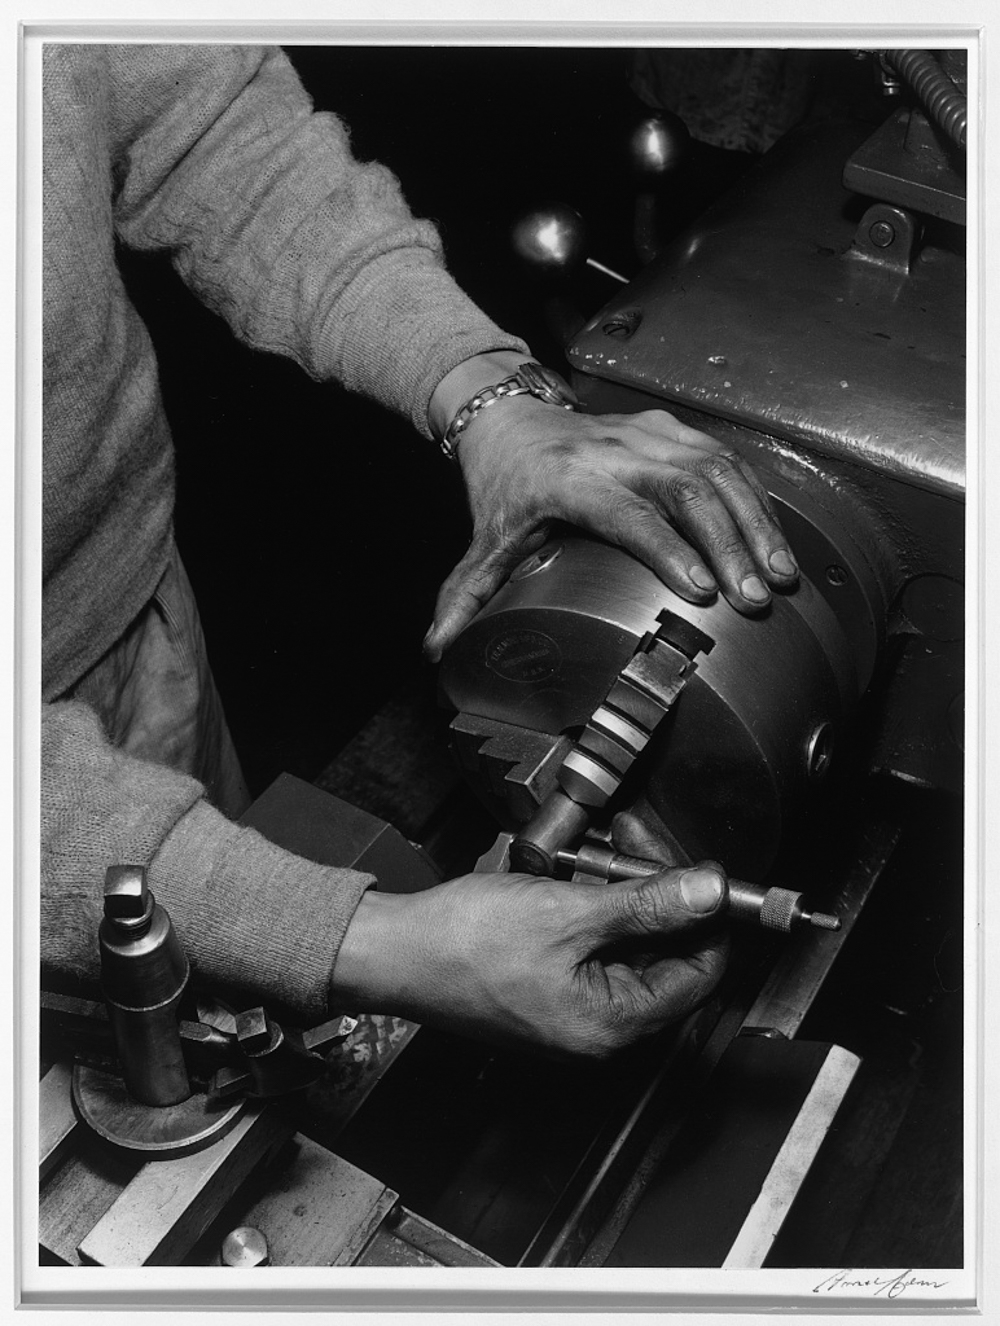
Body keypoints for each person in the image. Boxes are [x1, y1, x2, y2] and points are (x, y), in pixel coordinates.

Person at [41, 44, 800, 1058]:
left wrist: (483, 398)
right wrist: (374, 944)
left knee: (195, 1035)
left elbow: (205, 125)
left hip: (124, 610)